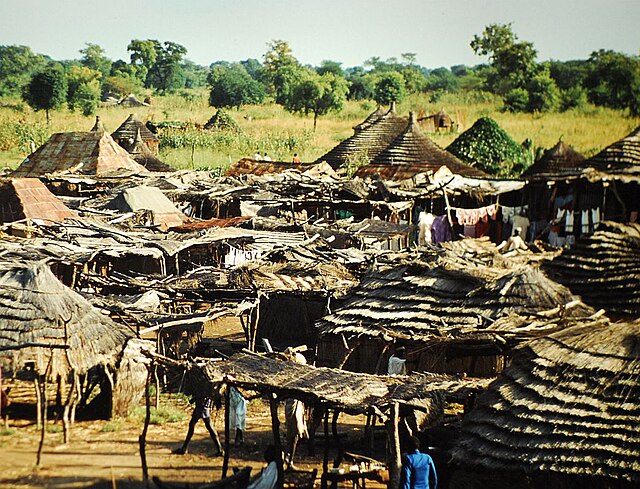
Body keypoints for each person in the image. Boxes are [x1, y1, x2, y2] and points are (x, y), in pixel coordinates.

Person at [284, 347, 309, 468]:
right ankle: (289, 460)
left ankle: (288, 458)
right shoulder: (292, 374)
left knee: (296, 433)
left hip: (296, 403)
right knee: (294, 433)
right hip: (293, 404)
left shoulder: (295, 370)